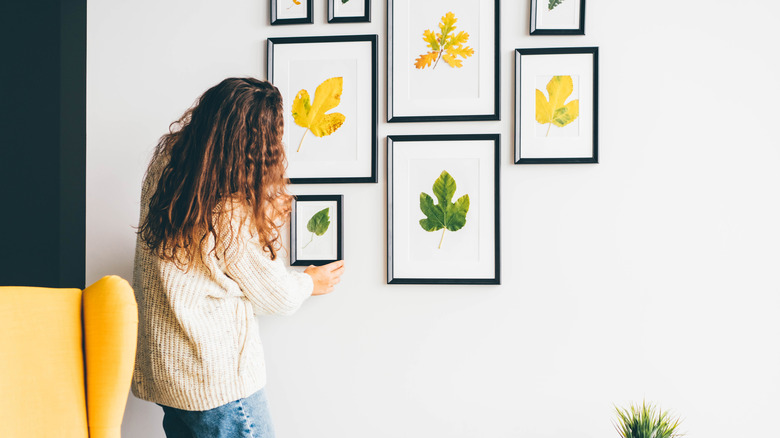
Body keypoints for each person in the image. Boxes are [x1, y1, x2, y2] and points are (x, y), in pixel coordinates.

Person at [132, 77, 344, 438]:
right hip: (214, 383)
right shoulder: (229, 210)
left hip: (166, 373)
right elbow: (276, 295)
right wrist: (310, 281)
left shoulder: (167, 167)